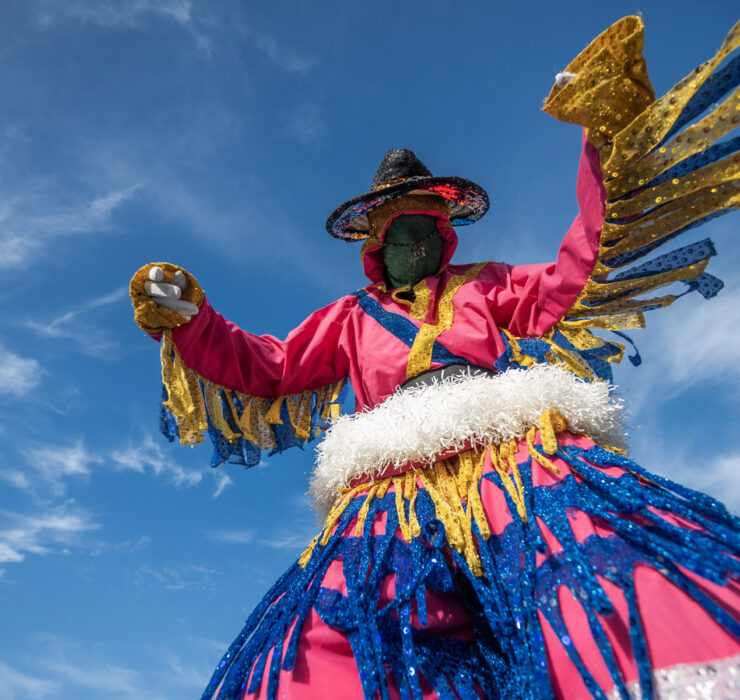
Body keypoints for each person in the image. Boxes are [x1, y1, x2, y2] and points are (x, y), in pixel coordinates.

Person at [129, 16, 740, 700]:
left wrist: (603, 141)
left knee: (594, 562)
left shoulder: (486, 284)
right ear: (376, 244)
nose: (415, 241)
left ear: (444, 237)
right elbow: (267, 368)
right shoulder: (349, 318)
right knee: (353, 625)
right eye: (401, 230)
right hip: (390, 495)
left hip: (514, 461)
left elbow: (578, 272)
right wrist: (193, 320)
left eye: (428, 227)